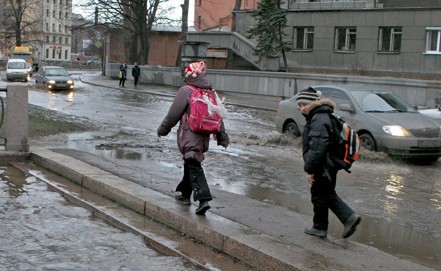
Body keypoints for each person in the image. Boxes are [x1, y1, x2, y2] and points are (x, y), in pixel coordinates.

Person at [157, 61, 229, 215]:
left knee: (193, 163)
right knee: (190, 160)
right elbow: (218, 116)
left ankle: (204, 198)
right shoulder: (209, 92)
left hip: (190, 134)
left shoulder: (186, 91)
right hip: (204, 136)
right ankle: (184, 193)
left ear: (188, 75)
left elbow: (173, 114)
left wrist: (163, 129)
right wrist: (222, 137)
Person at [297, 87, 361, 239]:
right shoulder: (322, 115)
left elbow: (317, 148)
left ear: (314, 102)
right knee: (322, 194)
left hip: (323, 165)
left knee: (323, 195)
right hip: (328, 163)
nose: (302, 108)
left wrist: (310, 169)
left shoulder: (319, 119)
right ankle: (320, 226)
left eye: (305, 104)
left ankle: (347, 218)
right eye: (300, 105)